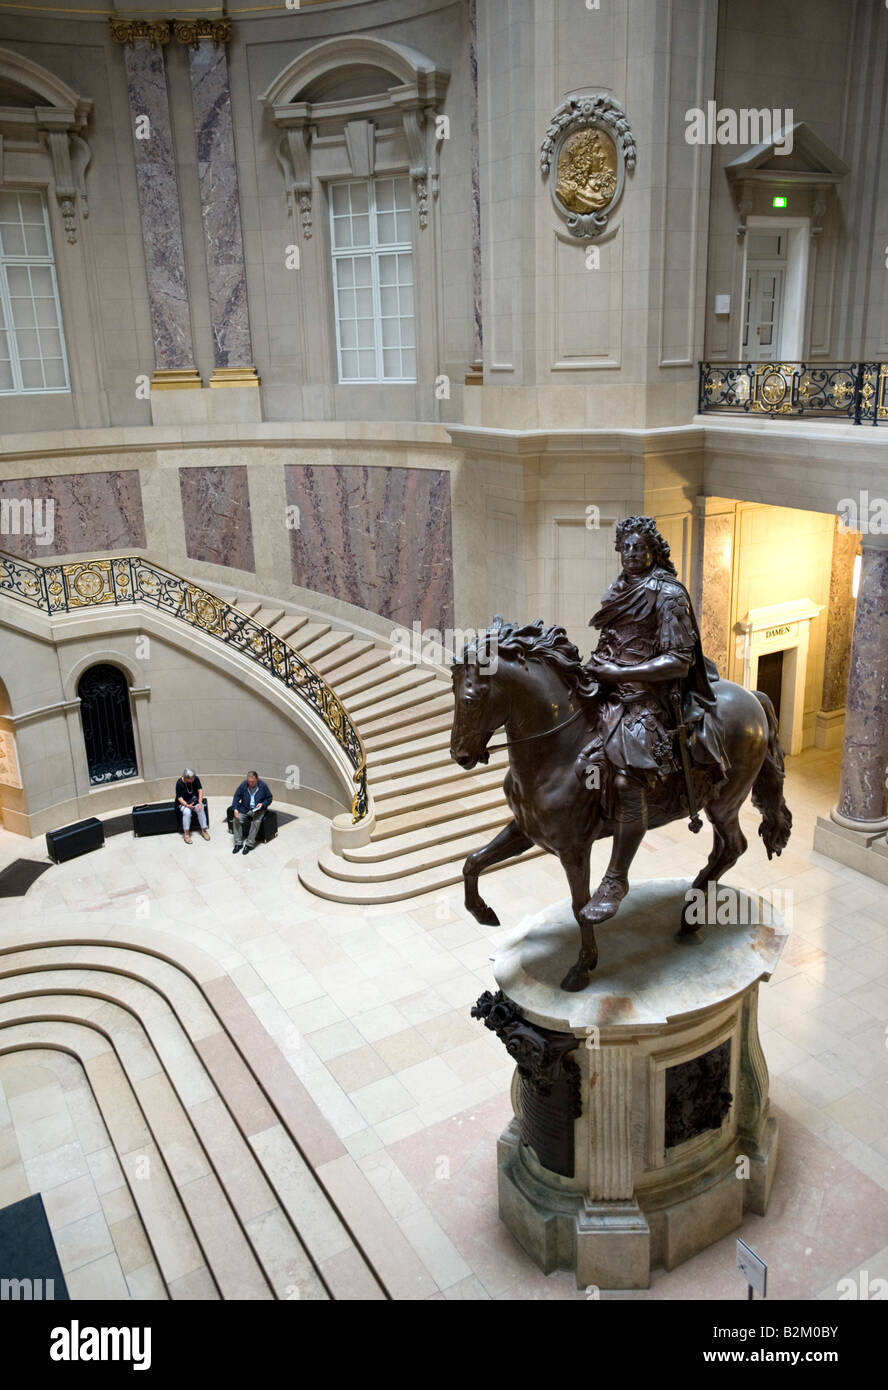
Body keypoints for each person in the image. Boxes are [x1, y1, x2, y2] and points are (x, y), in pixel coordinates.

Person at [578, 515, 729, 921]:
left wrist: (622, 674)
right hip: (609, 680)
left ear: (654, 551)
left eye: (640, 547)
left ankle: (615, 877)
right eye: (626, 547)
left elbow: (678, 661)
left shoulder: (667, 594)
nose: (632, 553)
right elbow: (610, 638)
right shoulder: (619, 588)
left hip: (652, 695)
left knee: (629, 776)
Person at [231, 771, 273, 855]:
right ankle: (238, 843)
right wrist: (235, 808)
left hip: (258, 810)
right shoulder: (244, 784)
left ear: (257, 779)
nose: (250, 783)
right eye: (249, 781)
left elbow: (269, 798)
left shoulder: (263, 786)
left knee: (256, 822)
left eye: (252, 782)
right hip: (245, 808)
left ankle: (249, 844)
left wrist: (263, 804)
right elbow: (236, 796)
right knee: (236, 819)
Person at [175, 768, 209, 845]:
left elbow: (200, 790)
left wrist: (200, 802)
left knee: (201, 809)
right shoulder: (179, 783)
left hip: (194, 800)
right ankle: (186, 834)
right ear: (186, 778)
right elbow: (179, 798)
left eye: (193, 778)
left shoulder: (195, 779)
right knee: (187, 813)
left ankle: (204, 830)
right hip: (184, 803)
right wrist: (187, 805)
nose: (193, 779)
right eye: (191, 779)